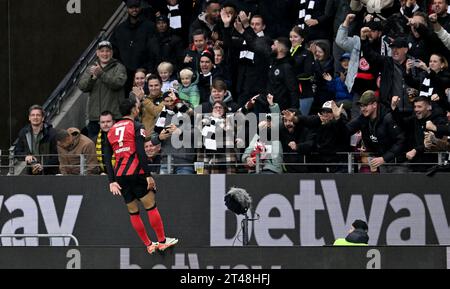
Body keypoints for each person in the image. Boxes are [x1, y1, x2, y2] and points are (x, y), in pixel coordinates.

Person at [104, 97, 178, 254]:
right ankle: (162, 241)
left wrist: (111, 181)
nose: (138, 109)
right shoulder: (136, 126)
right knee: (150, 205)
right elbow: (140, 151)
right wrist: (148, 175)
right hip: (137, 172)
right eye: (137, 107)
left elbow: (106, 157)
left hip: (120, 176)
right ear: (133, 110)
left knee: (133, 211)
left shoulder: (110, 130)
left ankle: (148, 244)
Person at [78, 40, 127, 139]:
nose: (105, 54)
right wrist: (92, 78)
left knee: (114, 147)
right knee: (95, 148)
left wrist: (101, 74)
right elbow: (82, 87)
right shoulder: (91, 68)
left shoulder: (119, 67)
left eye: (107, 51)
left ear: (111, 53)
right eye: (102, 51)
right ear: (97, 53)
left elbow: (118, 83)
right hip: (95, 118)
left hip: (114, 117)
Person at [110, 0, 156, 94]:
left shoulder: (150, 26)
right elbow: (113, 49)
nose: (134, 10)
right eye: (131, 7)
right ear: (127, 9)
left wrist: (146, 68)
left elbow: (154, 51)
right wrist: (120, 66)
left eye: (136, 7)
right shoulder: (120, 29)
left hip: (144, 72)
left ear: (140, 8)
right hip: (125, 74)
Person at [14, 104, 59, 175]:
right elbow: (17, 152)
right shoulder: (24, 132)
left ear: (43, 118)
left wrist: (43, 165)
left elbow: (57, 156)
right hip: (31, 172)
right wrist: (25, 156)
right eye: (33, 115)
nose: (35, 117)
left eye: (38, 115)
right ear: (29, 118)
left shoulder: (52, 133)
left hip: (50, 173)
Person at [94, 111, 115, 175]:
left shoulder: (121, 137)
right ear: (99, 123)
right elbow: (93, 161)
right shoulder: (95, 140)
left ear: (114, 122)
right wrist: (100, 172)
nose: (105, 124)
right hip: (102, 175)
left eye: (108, 121)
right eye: (102, 122)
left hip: (119, 175)